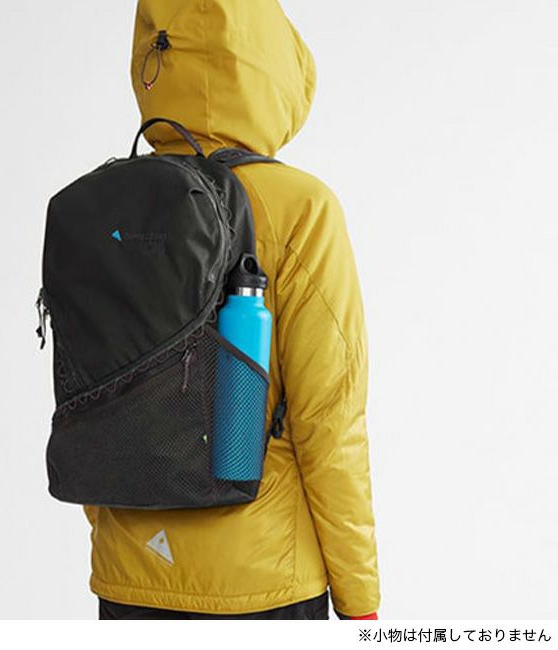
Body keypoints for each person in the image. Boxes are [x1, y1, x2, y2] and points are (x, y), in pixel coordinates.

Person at [87, 0, 381, 620]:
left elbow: (92, 394)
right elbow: (328, 421)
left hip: (129, 577)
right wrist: (360, 599)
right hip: (263, 582)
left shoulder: (104, 202)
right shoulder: (300, 206)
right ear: (272, 64)